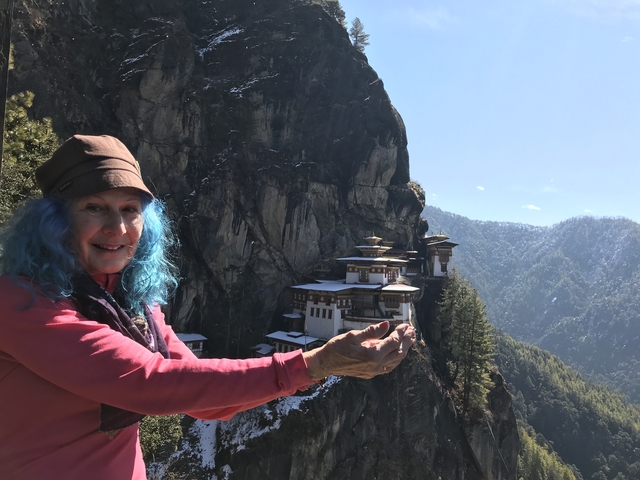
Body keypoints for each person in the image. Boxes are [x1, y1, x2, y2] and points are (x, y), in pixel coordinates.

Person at [0, 134, 416, 479]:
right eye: (94, 207)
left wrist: (314, 369)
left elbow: (207, 402)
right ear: (54, 220)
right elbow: (150, 383)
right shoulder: (22, 302)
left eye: (130, 210)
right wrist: (313, 363)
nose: (118, 228)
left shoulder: (136, 308)